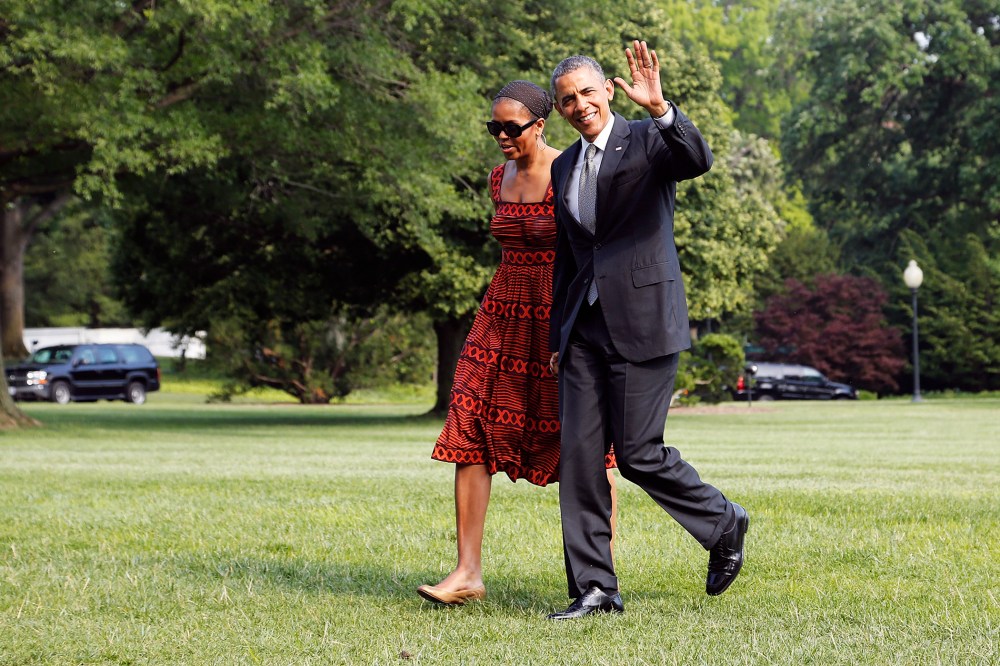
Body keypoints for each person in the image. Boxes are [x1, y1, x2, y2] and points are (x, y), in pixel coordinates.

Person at [545, 41, 749, 620]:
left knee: (638, 454)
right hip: (583, 328)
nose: (580, 105)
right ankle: (595, 589)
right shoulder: (563, 166)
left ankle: (723, 521)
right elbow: (570, 256)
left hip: (644, 321)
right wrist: (558, 336)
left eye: (587, 92)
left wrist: (661, 108)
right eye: (568, 100)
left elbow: (697, 158)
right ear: (560, 110)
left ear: (608, 89)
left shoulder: (649, 140)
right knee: (580, 460)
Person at [417, 80, 617, 606]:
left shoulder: (572, 169)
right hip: (502, 313)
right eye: (494, 127)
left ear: (539, 125)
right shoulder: (495, 179)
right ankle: (467, 573)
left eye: (512, 127)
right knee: (469, 421)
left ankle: (598, 578)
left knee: (587, 443)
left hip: (559, 315)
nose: (502, 136)